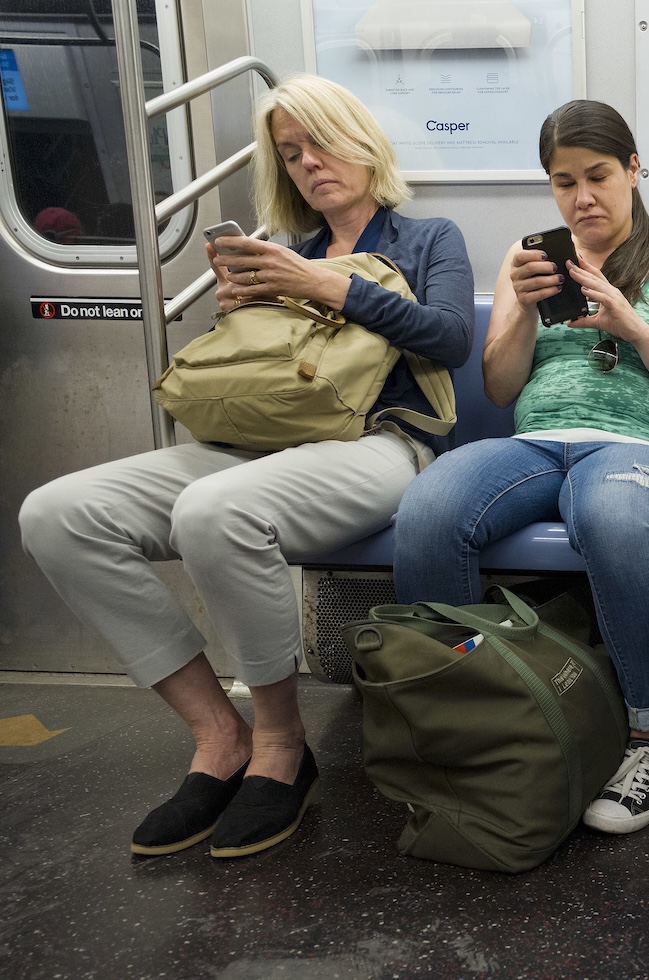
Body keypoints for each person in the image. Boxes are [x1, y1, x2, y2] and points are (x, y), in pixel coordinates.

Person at [18, 74, 474, 859]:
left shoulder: (428, 240)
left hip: (377, 444)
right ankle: (216, 734)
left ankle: (280, 745)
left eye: (321, 142)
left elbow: (450, 339)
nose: (309, 164)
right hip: (258, 444)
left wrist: (330, 287)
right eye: (291, 154)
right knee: (56, 515)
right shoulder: (281, 250)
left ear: (362, 141)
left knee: (215, 510)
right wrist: (243, 308)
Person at [392, 100, 649, 836]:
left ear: (635, 170)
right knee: (428, 512)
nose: (582, 198)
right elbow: (503, 389)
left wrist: (632, 326)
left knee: (611, 515)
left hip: (642, 449)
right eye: (563, 181)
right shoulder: (534, 259)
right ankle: (471, 724)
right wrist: (515, 303)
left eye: (599, 176)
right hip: (535, 444)